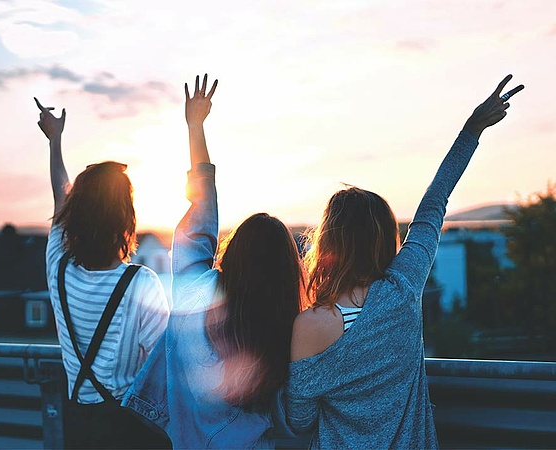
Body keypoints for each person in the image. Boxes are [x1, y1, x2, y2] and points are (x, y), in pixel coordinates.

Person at [285, 75, 525, 449]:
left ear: (328, 241)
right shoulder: (403, 288)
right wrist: (472, 129)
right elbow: (434, 203)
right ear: (384, 238)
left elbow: (299, 422)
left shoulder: (310, 324)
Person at [123, 75, 306, 448]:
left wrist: (195, 126)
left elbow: (201, 215)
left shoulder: (195, 292)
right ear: (286, 269)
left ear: (234, 251)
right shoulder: (285, 325)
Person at [35, 98, 172, 449]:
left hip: (76, 424)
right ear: (125, 220)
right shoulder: (141, 284)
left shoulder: (58, 266)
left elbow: (60, 200)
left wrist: (55, 142)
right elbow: (163, 366)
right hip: (129, 429)